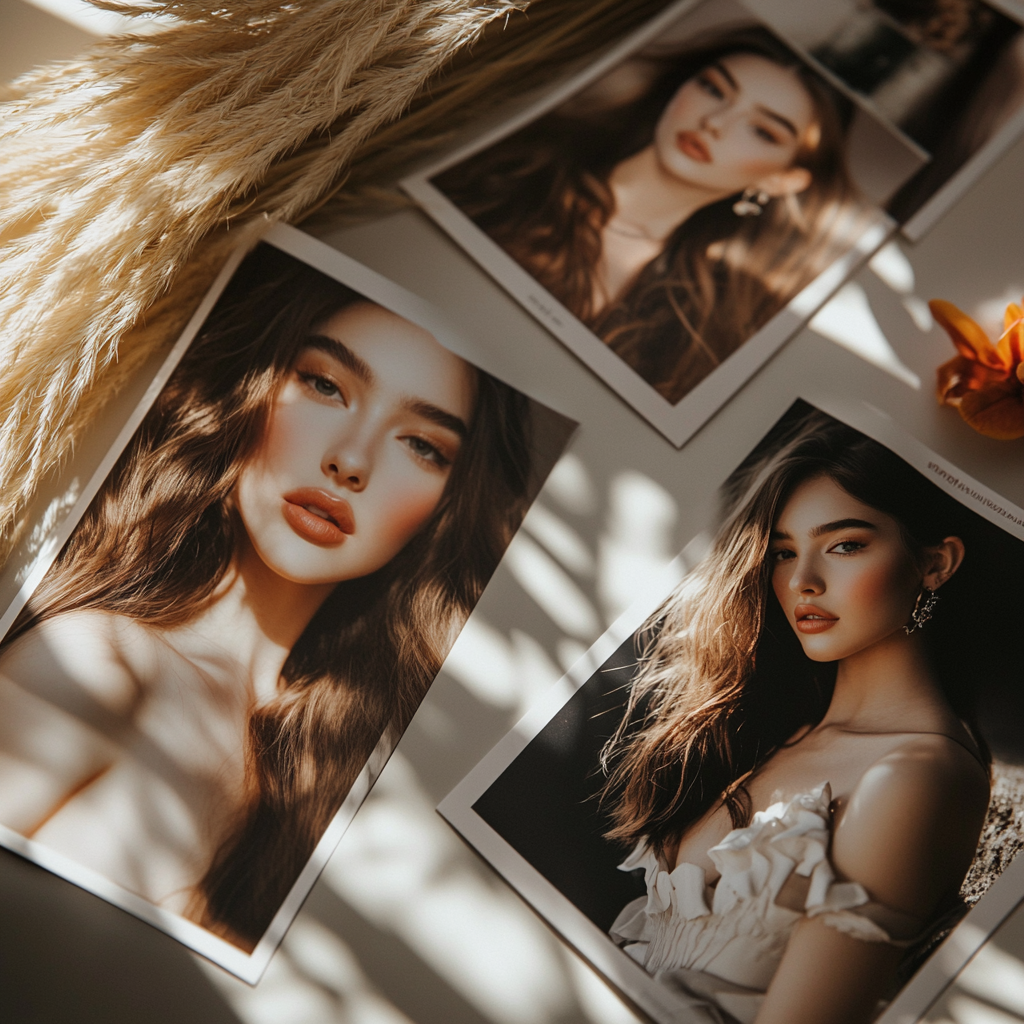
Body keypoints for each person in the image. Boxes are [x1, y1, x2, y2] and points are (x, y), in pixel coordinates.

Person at [0, 242, 534, 950]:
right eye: (324, 385)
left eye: (422, 445)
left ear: (447, 509)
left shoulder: (349, 780)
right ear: (249, 390)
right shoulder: (96, 662)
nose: (350, 460)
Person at [601, 410, 993, 1024]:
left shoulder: (918, 775)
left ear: (935, 563)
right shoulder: (774, 728)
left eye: (844, 545)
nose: (802, 582)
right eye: (784, 552)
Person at [435, 26, 869, 405]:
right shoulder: (510, 166)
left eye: (762, 130)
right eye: (714, 89)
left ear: (782, 181)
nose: (715, 121)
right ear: (680, 87)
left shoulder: (703, 323)